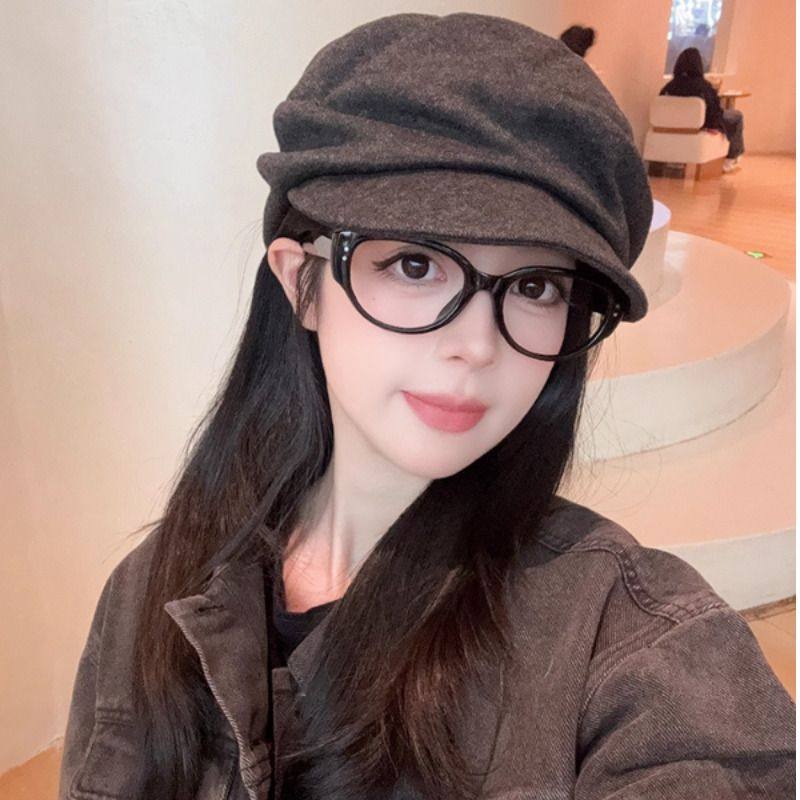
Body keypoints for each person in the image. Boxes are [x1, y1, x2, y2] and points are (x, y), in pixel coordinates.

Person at [58, 13, 793, 800]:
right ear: (301, 282)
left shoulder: (631, 641)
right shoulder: (148, 593)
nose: (476, 345)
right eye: (415, 265)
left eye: (536, 285)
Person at [660, 46, 745, 172]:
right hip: (703, 124)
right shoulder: (703, 86)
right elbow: (715, 109)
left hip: (673, 124)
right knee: (736, 116)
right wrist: (715, 125)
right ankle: (731, 158)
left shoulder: (670, 86)